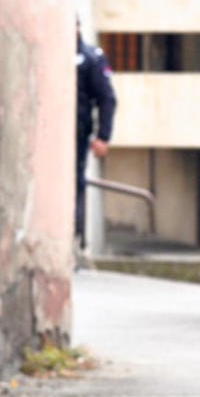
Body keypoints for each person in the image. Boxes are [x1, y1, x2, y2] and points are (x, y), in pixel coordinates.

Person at [75, 17, 117, 251]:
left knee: (75, 184)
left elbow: (106, 99)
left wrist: (103, 136)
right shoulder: (54, 55)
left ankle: (75, 240)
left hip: (78, 135)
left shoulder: (91, 58)